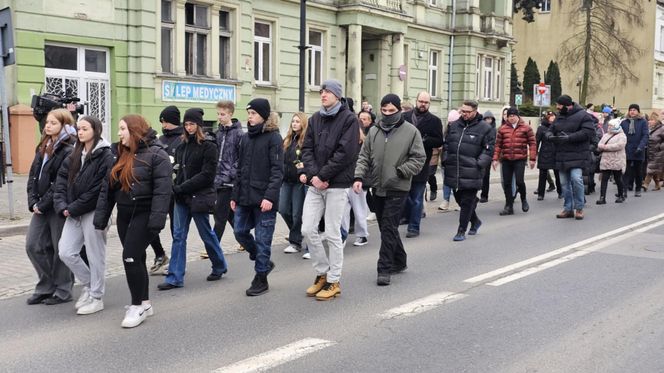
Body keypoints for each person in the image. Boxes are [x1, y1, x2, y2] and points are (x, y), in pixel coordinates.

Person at [94, 114, 172, 328]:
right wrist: (101, 218)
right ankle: (145, 303)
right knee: (136, 258)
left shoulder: (157, 155)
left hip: (145, 214)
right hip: (125, 214)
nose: (119, 133)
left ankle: (136, 306)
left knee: (129, 257)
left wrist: (157, 221)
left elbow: (163, 191)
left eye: (122, 129)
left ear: (135, 130)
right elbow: (107, 190)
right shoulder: (119, 154)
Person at [353, 93, 425, 286]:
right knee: (389, 228)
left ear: (399, 110)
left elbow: (419, 158)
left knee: (388, 226)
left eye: (391, 110)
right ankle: (400, 260)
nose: (387, 114)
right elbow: (364, 155)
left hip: (398, 186)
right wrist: (359, 176)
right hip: (377, 186)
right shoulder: (375, 131)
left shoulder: (411, 131)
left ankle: (384, 268)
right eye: (384, 110)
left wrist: (401, 172)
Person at [300, 79, 360, 301]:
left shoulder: (349, 119)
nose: (323, 94)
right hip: (317, 185)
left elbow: (346, 153)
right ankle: (322, 272)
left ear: (337, 95)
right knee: (307, 229)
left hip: (337, 184)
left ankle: (334, 280)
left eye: (327, 91)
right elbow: (306, 149)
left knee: (333, 233)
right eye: (321, 91)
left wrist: (323, 176)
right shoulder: (316, 119)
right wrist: (316, 176)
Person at [157, 108, 228, 290]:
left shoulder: (209, 146)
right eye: (186, 124)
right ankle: (175, 277)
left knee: (206, 234)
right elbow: (178, 171)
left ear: (199, 125)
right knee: (179, 236)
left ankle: (219, 265)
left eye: (192, 124)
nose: (188, 127)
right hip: (182, 197)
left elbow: (207, 175)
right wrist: (175, 185)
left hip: (199, 196)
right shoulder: (182, 147)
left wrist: (181, 187)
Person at [55, 116, 114, 314]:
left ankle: (97, 297)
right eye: (78, 129)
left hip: (94, 211)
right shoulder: (75, 153)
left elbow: (99, 188)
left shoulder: (105, 155)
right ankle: (90, 285)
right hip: (73, 210)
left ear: (95, 130)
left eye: (84, 129)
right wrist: (62, 205)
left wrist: (73, 208)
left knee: (95, 254)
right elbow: (62, 180)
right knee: (66, 251)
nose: (80, 132)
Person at [231, 98, 283, 296]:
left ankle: (261, 277)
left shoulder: (274, 138)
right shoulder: (245, 138)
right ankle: (262, 260)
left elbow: (277, 171)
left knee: (263, 240)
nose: (249, 117)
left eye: (253, 113)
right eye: (249, 113)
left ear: (263, 115)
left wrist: (270, 197)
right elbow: (240, 169)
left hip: (265, 200)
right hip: (245, 196)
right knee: (239, 231)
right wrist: (235, 195)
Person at [25, 108, 77, 305]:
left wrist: (43, 203)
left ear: (64, 125)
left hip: (57, 206)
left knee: (58, 249)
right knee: (33, 245)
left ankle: (63, 289)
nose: (48, 126)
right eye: (47, 122)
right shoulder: (45, 143)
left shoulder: (69, 148)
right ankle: (46, 286)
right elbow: (33, 175)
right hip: (41, 206)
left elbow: (60, 183)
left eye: (53, 123)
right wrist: (32, 201)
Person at [443, 100, 494, 242]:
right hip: (455, 169)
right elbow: (447, 144)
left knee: (466, 201)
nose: (464, 114)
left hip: (473, 171)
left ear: (475, 111)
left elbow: (489, 149)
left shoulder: (485, 128)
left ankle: (461, 230)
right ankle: (475, 221)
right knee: (459, 199)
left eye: (467, 112)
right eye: (462, 111)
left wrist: (479, 164)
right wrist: (445, 159)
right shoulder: (454, 126)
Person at [546, 94, 596, 220]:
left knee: (576, 180)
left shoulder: (584, 115)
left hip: (578, 155)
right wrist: (549, 136)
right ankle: (568, 208)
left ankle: (579, 208)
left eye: (559, 105)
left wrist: (569, 137)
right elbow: (550, 129)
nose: (557, 107)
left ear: (567, 106)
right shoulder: (559, 117)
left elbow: (588, 132)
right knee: (564, 184)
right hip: (562, 155)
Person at [401, 92, 443, 238]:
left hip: (422, 163)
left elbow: (439, 141)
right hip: (404, 163)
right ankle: (407, 216)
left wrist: (424, 140)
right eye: (421, 101)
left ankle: (414, 227)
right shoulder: (405, 117)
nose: (423, 104)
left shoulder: (434, 121)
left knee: (417, 196)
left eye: (426, 102)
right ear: (416, 101)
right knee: (404, 194)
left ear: (429, 103)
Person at [147, 105, 182, 275]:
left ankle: (177, 260)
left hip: (176, 189)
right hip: (159, 190)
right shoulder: (160, 139)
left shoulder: (182, 139)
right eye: (161, 122)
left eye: (166, 122)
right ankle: (160, 254)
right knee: (151, 225)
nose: (163, 125)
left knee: (176, 229)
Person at [491, 107, 537, 215]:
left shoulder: (526, 128)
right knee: (506, 183)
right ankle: (509, 206)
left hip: (519, 159)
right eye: (509, 116)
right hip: (506, 159)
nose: (511, 118)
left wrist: (532, 159)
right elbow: (498, 145)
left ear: (518, 116)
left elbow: (532, 143)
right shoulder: (502, 129)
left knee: (519, 181)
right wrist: (495, 159)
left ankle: (523, 199)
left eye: (513, 116)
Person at [213, 100, 243, 245]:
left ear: (230, 114)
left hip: (229, 181)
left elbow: (241, 158)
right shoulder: (218, 133)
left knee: (219, 215)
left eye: (223, 114)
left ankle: (213, 245)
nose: (219, 117)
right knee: (229, 214)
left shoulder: (238, 134)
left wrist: (231, 173)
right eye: (218, 114)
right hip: (217, 179)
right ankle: (244, 239)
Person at [280, 112, 309, 256]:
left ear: (303, 123)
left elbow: (304, 160)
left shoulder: (305, 140)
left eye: (297, 121)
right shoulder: (287, 140)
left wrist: (302, 170)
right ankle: (297, 232)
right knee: (283, 209)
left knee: (297, 213)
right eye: (293, 121)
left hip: (299, 181)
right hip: (286, 180)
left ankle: (295, 241)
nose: (294, 124)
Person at [620, 104, 649, 197]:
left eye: (634, 110)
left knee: (638, 171)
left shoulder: (643, 122)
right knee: (626, 171)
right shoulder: (624, 122)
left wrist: (640, 147)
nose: (632, 111)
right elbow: (620, 135)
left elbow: (645, 135)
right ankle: (624, 190)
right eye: (631, 110)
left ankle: (638, 189)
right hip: (627, 148)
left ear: (638, 111)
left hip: (638, 149)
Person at [596, 118, 626, 204]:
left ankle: (621, 195)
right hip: (606, 160)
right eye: (609, 125)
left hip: (617, 160)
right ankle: (602, 198)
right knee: (604, 179)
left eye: (611, 125)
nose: (609, 127)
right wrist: (607, 147)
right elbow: (599, 144)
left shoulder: (622, 135)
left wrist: (605, 147)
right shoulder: (606, 135)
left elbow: (619, 146)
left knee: (618, 179)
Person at [535, 111, 561, 200]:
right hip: (544, 153)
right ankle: (541, 194)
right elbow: (537, 141)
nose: (552, 118)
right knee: (542, 174)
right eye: (550, 116)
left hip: (556, 153)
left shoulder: (557, 126)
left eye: (554, 116)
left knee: (558, 174)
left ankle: (560, 192)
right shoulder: (541, 128)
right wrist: (534, 154)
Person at [438, 109, 461, 212]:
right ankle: (445, 201)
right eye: (450, 122)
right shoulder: (446, 131)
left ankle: (460, 202)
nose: (451, 124)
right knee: (446, 182)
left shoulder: (461, 130)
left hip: (457, 161)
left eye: (453, 122)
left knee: (458, 183)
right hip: (446, 160)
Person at [358, 110, 377, 221]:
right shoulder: (356, 129)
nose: (362, 121)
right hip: (362, 167)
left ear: (370, 121)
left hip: (371, 166)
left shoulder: (373, 132)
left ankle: (375, 210)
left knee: (371, 190)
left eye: (364, 119)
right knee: (364, 190)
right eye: (360, 118)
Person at [480, 111, 497, 203]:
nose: (488, 121)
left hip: (488, 154)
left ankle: (484, 195)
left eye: (489, 119)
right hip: (480, 153)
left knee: (486, 175)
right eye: (486, 119)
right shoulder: (481, 128)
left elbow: (493, 142)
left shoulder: (493, 130)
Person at [644, 111, 664, 191]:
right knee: (654, 168)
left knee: (651, 168)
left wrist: (660, 146)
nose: (649, 121)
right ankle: (657, 185)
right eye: (649, 120)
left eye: (651, 120)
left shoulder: (662, 129)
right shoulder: (649, 129)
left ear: (655, 121)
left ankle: (645, 184)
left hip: (659, 152)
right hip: (650, 151)